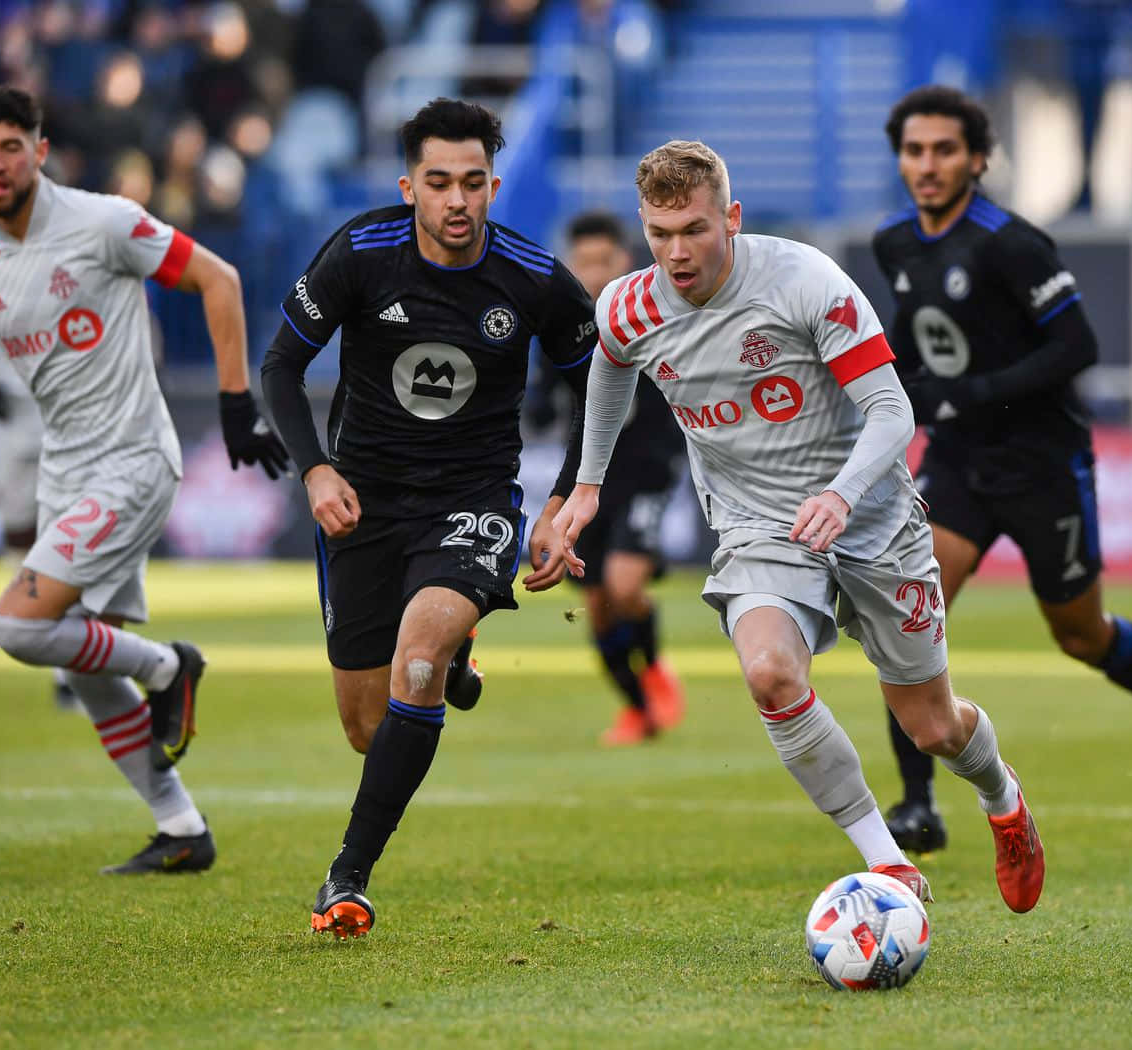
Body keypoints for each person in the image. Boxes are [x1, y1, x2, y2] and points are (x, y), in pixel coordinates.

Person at [553, 139, 1046, 915]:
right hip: (756, 524)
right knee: (770, 676)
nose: (676, 253)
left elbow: (892, 411)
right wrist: (586, 485)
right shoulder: (628, 303)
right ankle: (888, 867)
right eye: (659, 233)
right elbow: (610, 364)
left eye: (694, 229)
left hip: (871, 515)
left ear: (733, 218)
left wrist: (844, 496)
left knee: (932, 727)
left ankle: (1003, 800)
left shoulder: (803, 280)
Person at [0, 85, 289, 874]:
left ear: (40, 152)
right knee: (83, 664)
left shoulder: (103, 222)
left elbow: (218, 279)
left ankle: (167, 666)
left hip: (133, 460)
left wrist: (235, 404)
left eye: (12, 146)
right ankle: (181, 829)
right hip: (65, 472)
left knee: (15, 626)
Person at [260, 97, 596, 938]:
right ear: (409, 185)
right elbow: (281, 367)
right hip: (362, 506)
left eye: (474, 183)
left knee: (416, 655)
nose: (457, 201)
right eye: (439, 182)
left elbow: (601, 383)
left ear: (492, 184)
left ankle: (348, 875)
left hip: (471, 503)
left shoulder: (533, 277)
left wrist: (560, 503)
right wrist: (317, 472)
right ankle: (452, 658)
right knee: (366, 726)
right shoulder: (360, 253)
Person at [871, 85, 1132, 853]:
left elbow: (1076, 348)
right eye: (915, 151)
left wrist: (969, 395)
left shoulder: (1011, 243)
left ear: (978, 159)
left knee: (1081, 635)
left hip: (1041, 464)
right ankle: (917, 802)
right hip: (957, 466)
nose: (927, 166)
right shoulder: (896, 245)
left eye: (944, 150)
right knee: (907, 619)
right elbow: (908, 346)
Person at [558, 210, 687, 746]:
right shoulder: (562, 324)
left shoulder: (653, 313)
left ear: (624, 261)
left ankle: (655, 669)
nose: (592, 272)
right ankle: (638, 709)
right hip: (589, 480)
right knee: (595, 605)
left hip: (646, 473)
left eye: (602, 261)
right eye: (583, 262)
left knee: (624, 584)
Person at [0, 343, 81, 711]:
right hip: (9, 411)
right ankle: (40, 624)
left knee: (69, 534)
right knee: (19, 532)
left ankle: (68, 669)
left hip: (70, 403)